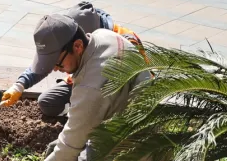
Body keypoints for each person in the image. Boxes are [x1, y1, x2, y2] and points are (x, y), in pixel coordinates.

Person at [0, 2, 142, 118]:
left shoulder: (124, 42)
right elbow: (49, 60)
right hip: (81, 83)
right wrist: (19, 85)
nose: (55, 68)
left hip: (117, 93)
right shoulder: (73, 33)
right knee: (48, 102)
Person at [36, 15, 150, 161]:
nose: (55, 69)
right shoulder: (102, 35)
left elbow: (67, 150)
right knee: (56, 147)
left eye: (58, 63)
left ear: (77, 46)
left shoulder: (90, 88)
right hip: (126, 122)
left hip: (135, 147)